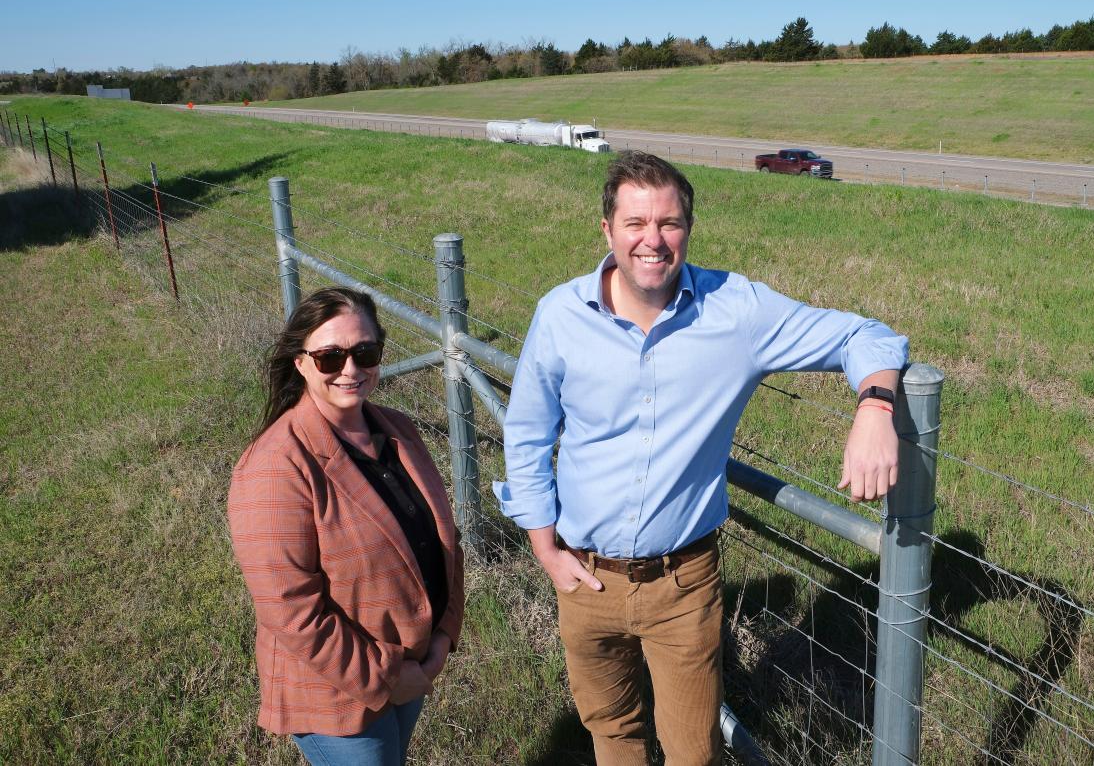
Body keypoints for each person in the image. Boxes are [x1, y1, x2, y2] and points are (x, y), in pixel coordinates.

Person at [494, 152, 908, 765]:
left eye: (669, 223)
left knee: (694, 751)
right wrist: (544, 548)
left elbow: (865, 335)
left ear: (688, 228)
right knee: (612, 736)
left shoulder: (735, 311)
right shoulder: (560, 315)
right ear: (606, 229)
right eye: (635, 223)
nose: (652, 241)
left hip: (683, 585)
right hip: (584, 577)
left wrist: (875, 409)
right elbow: (527, 434)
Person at [229, 287, 465, 766]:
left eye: (365, 353)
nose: (351, 370)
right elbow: (290, 609)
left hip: (412, 663)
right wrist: (388, 677)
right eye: (330, 358)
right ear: (301, 363)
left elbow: (443, 541)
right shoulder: (276, 465)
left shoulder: (398, 430)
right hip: (335, 692)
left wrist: (443, 635)